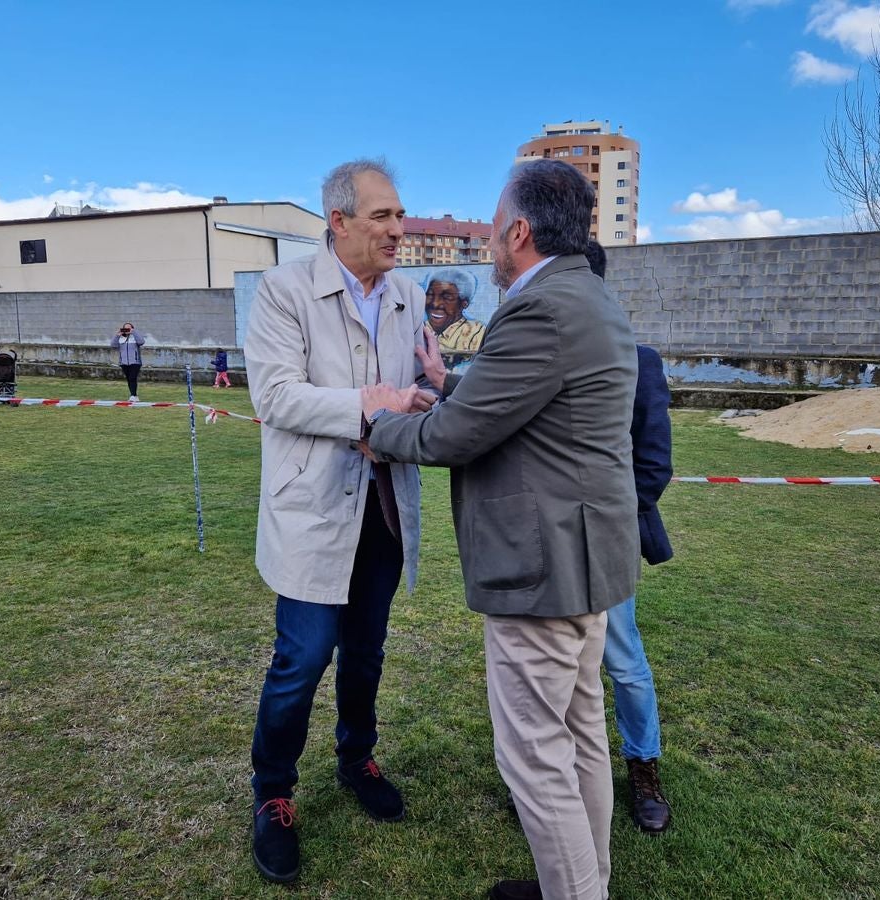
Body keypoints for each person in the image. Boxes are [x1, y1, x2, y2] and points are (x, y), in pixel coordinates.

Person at [363, 160, 640, 900]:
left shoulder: (538, 308)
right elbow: (533, 400)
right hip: (584, 566)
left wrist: (378, 426)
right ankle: (585, 889)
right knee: (578, 741)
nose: (486, 240)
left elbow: (455, 438)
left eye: (492, 225)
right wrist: (448, 383)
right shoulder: (583, 295)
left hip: (543, 571)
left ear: (518, 231)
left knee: (536, 759)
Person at [242, 158, 436, 885]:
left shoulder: (408, 294)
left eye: (398, 214)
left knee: (366, 650)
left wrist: (407, 405)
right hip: (314, 508)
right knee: (302, 658)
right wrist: (366, 406)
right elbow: (278, 396)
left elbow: (416, 385)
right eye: (382, 216)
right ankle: (273, 795)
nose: (398, 228)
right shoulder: (285, 290)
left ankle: (356, 758)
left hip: (382, 507)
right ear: (340, 221)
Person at [584, 239, 675, 835]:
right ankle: (559, 778)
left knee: (623, 660)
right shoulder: (534, 354)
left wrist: (616, 519)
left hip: (608, 541)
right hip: (549, 547)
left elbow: (654, 461)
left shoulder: (637, 361)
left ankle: (643, 764)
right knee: (559, 671)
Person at [424, 268, 486, 357]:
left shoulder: (477, 333)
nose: (435, 303)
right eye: (430, 295)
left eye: (447, 297)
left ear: (464, 304)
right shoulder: (418, 328)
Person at [110, 321, 145, 401]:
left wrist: (134, 332)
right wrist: (117, 335)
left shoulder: (135, 337)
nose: (127, 330)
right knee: (129, 379)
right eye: (125, 328)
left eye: (128, 328)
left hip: (135, 362)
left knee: (133, 378)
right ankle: (134, 396)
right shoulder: (121, 338)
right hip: (124, 362)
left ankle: (133, 395)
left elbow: (141, 342)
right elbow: (113, 345)